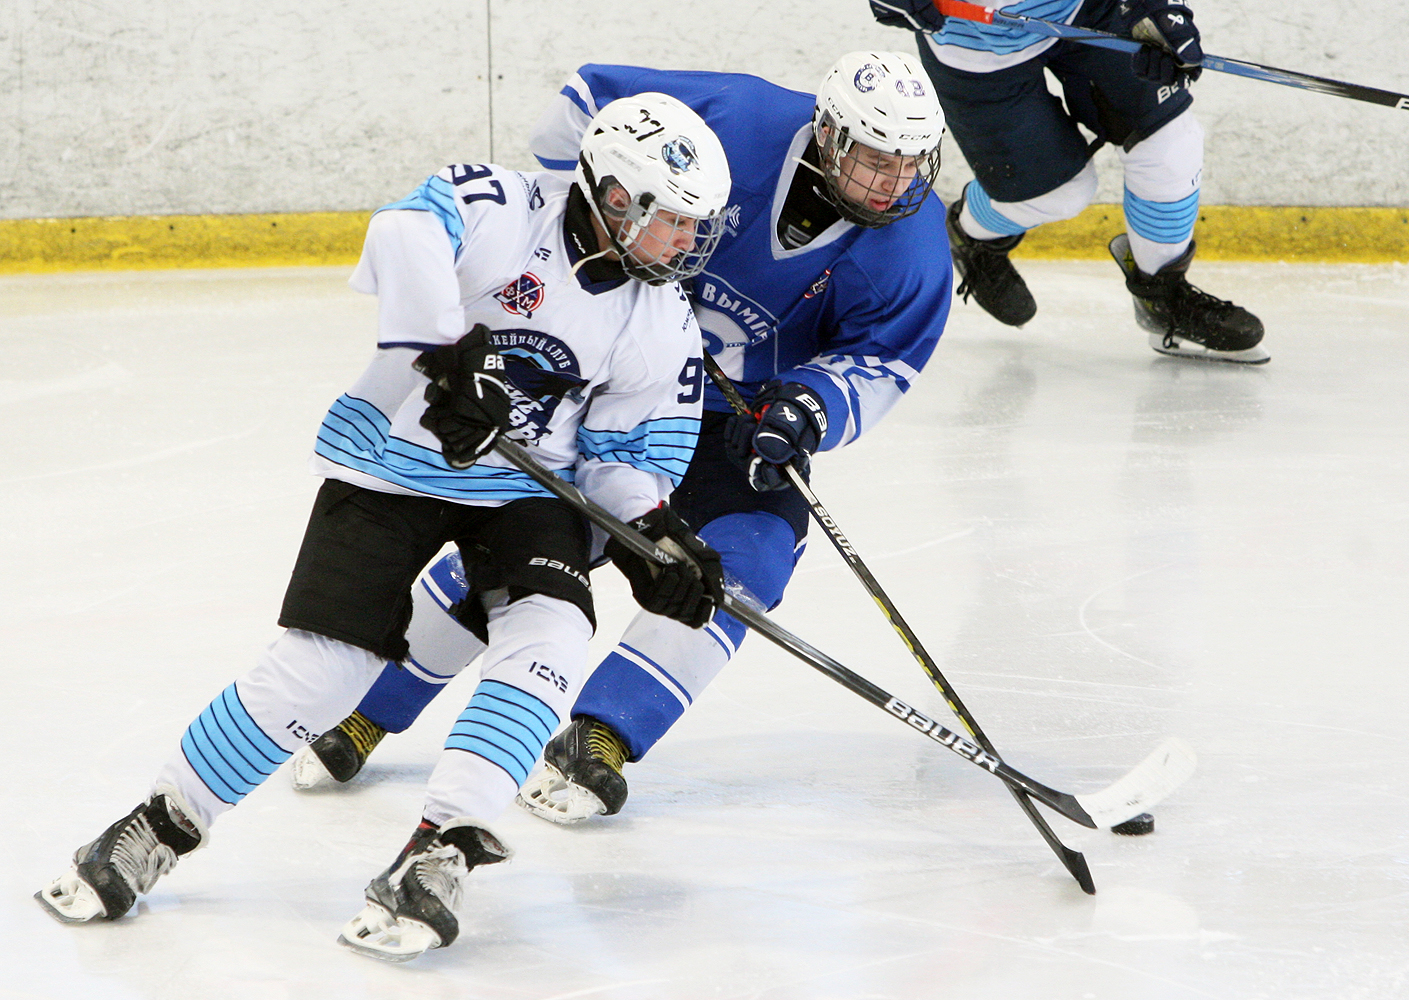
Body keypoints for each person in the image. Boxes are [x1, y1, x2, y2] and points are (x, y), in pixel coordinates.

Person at [35, 93, 733, 962]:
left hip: (524, 491)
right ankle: (158, 823)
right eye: (670, 222)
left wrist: (652, 537)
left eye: (693, 226)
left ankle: (439, 849)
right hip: (394, 459)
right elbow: (405, 233)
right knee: (325, 670)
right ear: (616, 196)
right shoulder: (508, 207)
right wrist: (444, 349)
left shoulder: (658, 317)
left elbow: (622, 455)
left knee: (552, 629)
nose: (683, 244)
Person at [288, 52, 955, 825]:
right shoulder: (741, 120)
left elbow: (882, 361)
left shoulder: (913, 245)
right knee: (533, 545)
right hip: (613, 391)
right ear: (829, 133)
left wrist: (808, 407)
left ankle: (600, 736)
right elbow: (584, 103)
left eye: (909, 164)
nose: (892, 181)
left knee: (744, 563)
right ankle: (370, 708)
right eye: (875, 157)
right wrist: (597, 263)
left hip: (746, 424)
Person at [871, 0, 1269, 364]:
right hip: (972, 43)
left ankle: (1162, 295)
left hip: (1092, 9)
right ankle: (970, 234)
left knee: (1170, 147)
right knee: (1060, 194)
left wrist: (1160, 7)